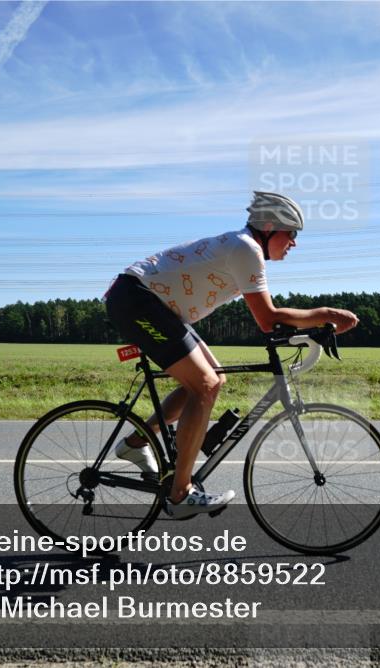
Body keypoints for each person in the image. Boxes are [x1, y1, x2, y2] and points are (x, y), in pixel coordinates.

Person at [103, 191, 359, 519]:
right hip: (137, 300)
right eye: (291, 233)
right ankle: (180, 494)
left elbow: (269, 323)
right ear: (268, 228)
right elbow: (268, 318)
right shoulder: (246, 248)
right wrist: (324, 314)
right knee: (205, 385)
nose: (294, 242)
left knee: (213, 378)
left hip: (151, 303)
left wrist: (312, 328)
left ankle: (137, 443)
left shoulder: (245, 249)